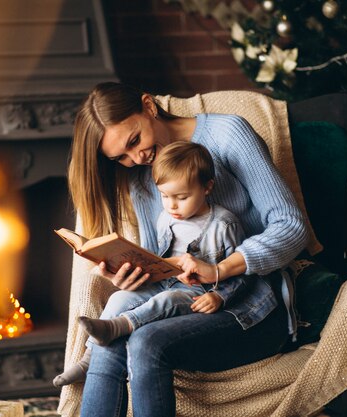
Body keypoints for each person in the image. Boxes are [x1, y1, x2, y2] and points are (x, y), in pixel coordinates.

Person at [66, 82, 309, 417]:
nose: (135, 157)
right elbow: (163, 262)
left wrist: (221, 269)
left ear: (149, 107)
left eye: (134, 141)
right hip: (184, 299)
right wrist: (132, 274)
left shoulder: (228, 134)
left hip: (249, 301)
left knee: (146, 342)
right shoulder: (142, 176)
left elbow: (291, 227)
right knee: (115, 326)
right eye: (120, 157)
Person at [54, 141, 253, 387]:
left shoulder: (225, 225)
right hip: (165, 281)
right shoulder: (165, 219)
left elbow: (244, 273)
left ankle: (119, 326)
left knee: (165, 301)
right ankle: (87, 360)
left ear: (207, 187)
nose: (172, 205)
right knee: (120, 298)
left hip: (197, 293)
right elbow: (160, 257)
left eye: (182, 197)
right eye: (165, 196)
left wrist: (220, 297)